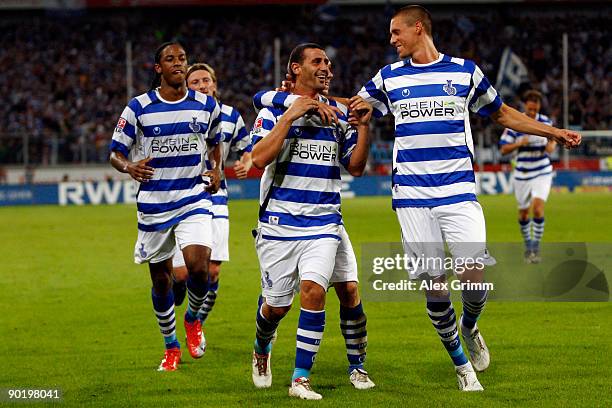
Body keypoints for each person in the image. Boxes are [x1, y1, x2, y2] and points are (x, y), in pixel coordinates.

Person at [253, 5, 581, 392]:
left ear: (418, 29)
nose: (391, 40)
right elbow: (350, 105)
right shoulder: (388, 77)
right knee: (436, 286)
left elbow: (503, 114)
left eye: (396, 33)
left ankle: (471, 326)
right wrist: (279, 99)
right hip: (411, 196)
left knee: (475, 280)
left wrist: (551, 132)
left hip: (457, 190)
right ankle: (462, 367)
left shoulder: (464, 72)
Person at [249, 43, 373, 400]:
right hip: (279, 223)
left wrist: (363, 128)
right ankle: (262, 344)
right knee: (276, 307)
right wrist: (290, 116)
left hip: (323, 222)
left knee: (317, 291)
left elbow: (356, 167)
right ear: (295, 69)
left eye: (328, 62)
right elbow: (258, 158)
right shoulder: (273, 111)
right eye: (317, 61)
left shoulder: (337, 113)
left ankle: (301, 379)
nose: (326, 67)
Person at [109, 42, 223, 371]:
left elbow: (216, 143)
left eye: (182, 58)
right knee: (162, 282)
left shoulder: (206, 104)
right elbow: (115, 152)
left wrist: (216, 169)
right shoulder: (139, 107)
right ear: (158, 68)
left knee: (198, 267)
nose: (178, 63)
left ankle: (192, 319)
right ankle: (171, 346)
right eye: (170, 59)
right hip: (154, 206)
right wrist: (129, 166)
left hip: (193, 197)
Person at [171, 63, 252, 344]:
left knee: (213, 269)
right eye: (195, 82)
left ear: (215, 84)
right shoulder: (177, 112)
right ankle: (176, 285)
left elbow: (248, 149)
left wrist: (246, 162)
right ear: (187, 86)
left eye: (206, 80)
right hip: (182, 196)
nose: (202, 85)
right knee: (181, 274)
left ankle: (195, 322)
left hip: (216, 196)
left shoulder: (231, 116)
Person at [499, 90, 556, 263]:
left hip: (542, 171)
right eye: (529, 108)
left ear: (538, 106)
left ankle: (535, 248)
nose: (532, 112)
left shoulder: (546, 122)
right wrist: (519, 143)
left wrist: (551, 146)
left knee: (538, 208)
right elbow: (503, 149)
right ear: (525, 105)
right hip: (522, 174)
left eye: (535, 108)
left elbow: (552, 142)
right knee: (523, 214)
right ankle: (528, 244)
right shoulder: (515, 122)